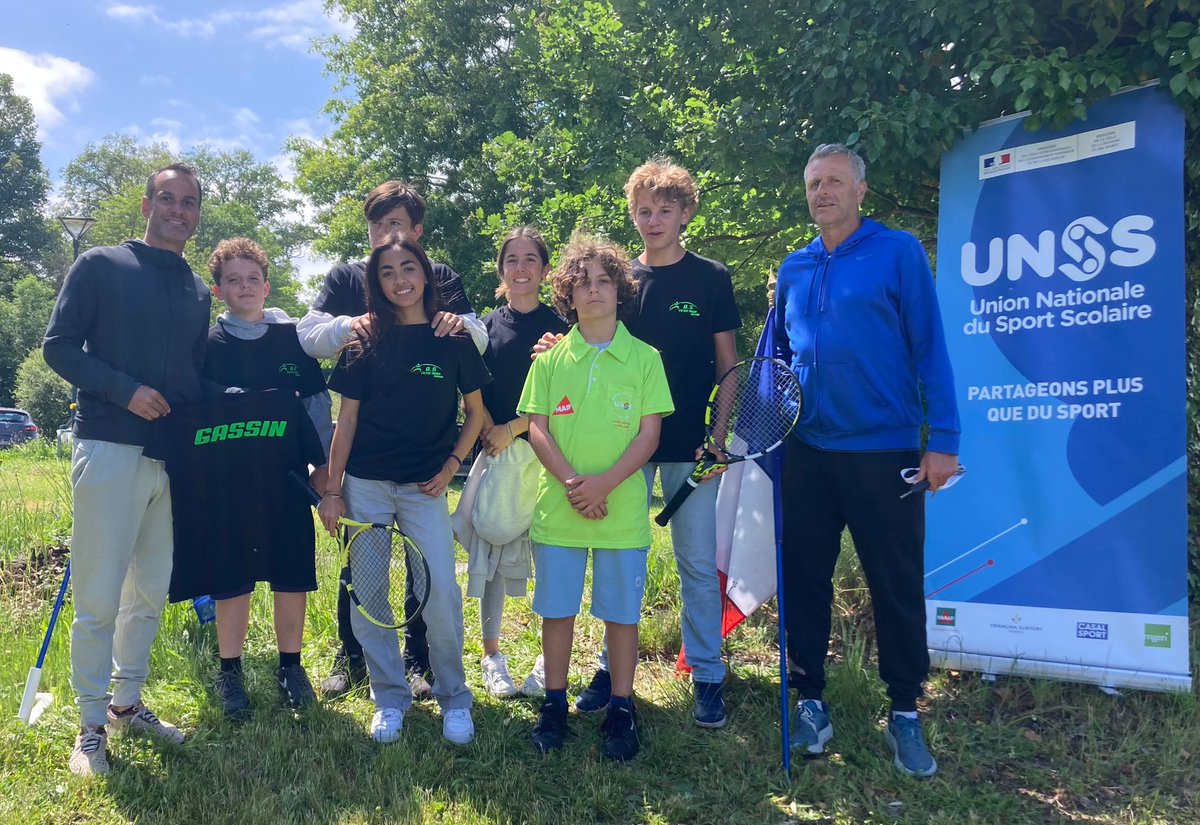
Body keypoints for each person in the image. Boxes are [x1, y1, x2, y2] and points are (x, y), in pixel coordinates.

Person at [774, 143, 960, 779]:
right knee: (803, 579)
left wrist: (944, 441)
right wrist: (766, 431)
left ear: (860, 191)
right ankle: (811, 703)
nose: (820, 192)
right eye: (812, 183)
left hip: (885, 450)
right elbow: (774, 361)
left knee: (895, 583)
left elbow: (930, 346)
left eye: (832, 182)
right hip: (806, 452)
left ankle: (905, 711)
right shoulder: (793, 268)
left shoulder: (898, 252)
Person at [552, 159, 740, 728]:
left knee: (696, 565)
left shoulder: (711, 278)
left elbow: (728, 365)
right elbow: (587, 338)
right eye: (642, 210)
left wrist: (718, 438)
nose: (652, 219)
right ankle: (612, 670)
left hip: (689, 445)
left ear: (686, 214)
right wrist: (548, 349)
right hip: (620, 450)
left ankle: (707, 673)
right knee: (619, 560)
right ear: (632, 215)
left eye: (664, 209)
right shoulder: (619, 279)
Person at [43, 162, 209, 775]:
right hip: (109, 446)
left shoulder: (196, 288)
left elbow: (192, 378)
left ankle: (125, 703)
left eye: (189, 203)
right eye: (167, 199)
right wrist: (123, 390)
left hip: (170, 459)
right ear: (145, 207)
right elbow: (57, 347)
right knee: (98, 598)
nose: (178, 211)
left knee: (151, 593)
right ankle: (88, 727)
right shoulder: (101, 266)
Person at [297, 180, 487, 700]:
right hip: (366, 481)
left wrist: (451, 466)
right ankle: (380, 684)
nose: (390, 239)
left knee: (439, 587)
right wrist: (332, 490)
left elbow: (477, 409)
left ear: (423, 255)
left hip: (426, 483)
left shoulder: (450, 329)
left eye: (399, 227)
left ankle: (445, 685)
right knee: (367, 585)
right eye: (380, 228)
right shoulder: (357, 324)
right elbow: (344, 414)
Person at [518, 233, 674, 762]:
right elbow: (537, 429)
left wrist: (604, 484)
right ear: (567, 294)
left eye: (603, 281)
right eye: (581, 283)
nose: (593, 292)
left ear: (620, 289)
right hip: (559, 509)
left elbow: (649, 435)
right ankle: (555, 706)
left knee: (620, 615)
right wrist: (572, 484)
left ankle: (622, 710)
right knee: (557, 611)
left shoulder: (646, 358)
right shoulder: (550, 359)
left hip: (621, 511)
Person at [199, 237, 334, 717]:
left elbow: (319, 410)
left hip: (288, 482)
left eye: (252, 278)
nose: (244, 287)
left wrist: (323, 472)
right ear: (218, 291)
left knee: (290, 575)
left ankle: (291, 666)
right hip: (226, 485)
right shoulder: (207, 346)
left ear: (266, 284)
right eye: (233, 280)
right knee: (232, 579)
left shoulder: (291, 340)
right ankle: (229, 672)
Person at [468, 227, 568, 698]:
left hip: (548, 455)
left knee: (551, 555)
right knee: (490, 553)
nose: (522, 268)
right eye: (512, 260)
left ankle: (549, 663)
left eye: (531, 259)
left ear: (545, 270)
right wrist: (494, 429)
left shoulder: (563, 329)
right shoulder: (484, 328)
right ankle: (492, 656)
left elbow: (568, 400)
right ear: (501, 269)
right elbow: (471, 391)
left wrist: (519, 427)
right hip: (496, 451)